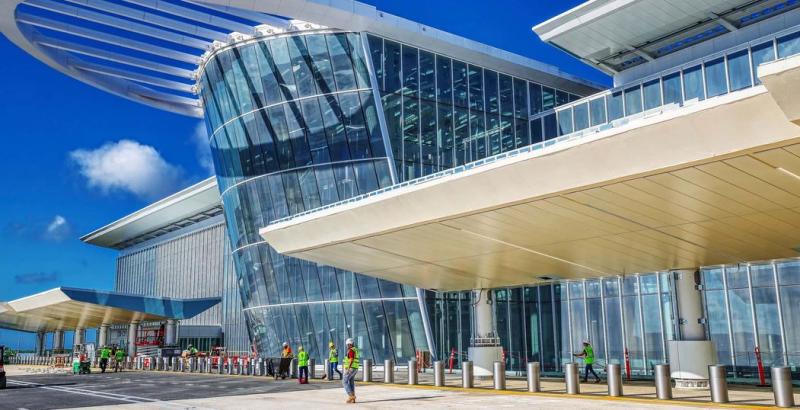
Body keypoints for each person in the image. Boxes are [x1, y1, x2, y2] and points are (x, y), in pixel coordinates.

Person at [342, 338, 359, 404]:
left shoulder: (351, 350)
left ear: (349, 344)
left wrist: (348, 368)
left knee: (344, 381)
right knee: (351, 382)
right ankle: (353, 398)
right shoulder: (355, 349)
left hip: (351, 368)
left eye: (347, 345)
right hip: (355, 368)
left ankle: (351, 396)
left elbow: (351, 359)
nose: (347, 346)